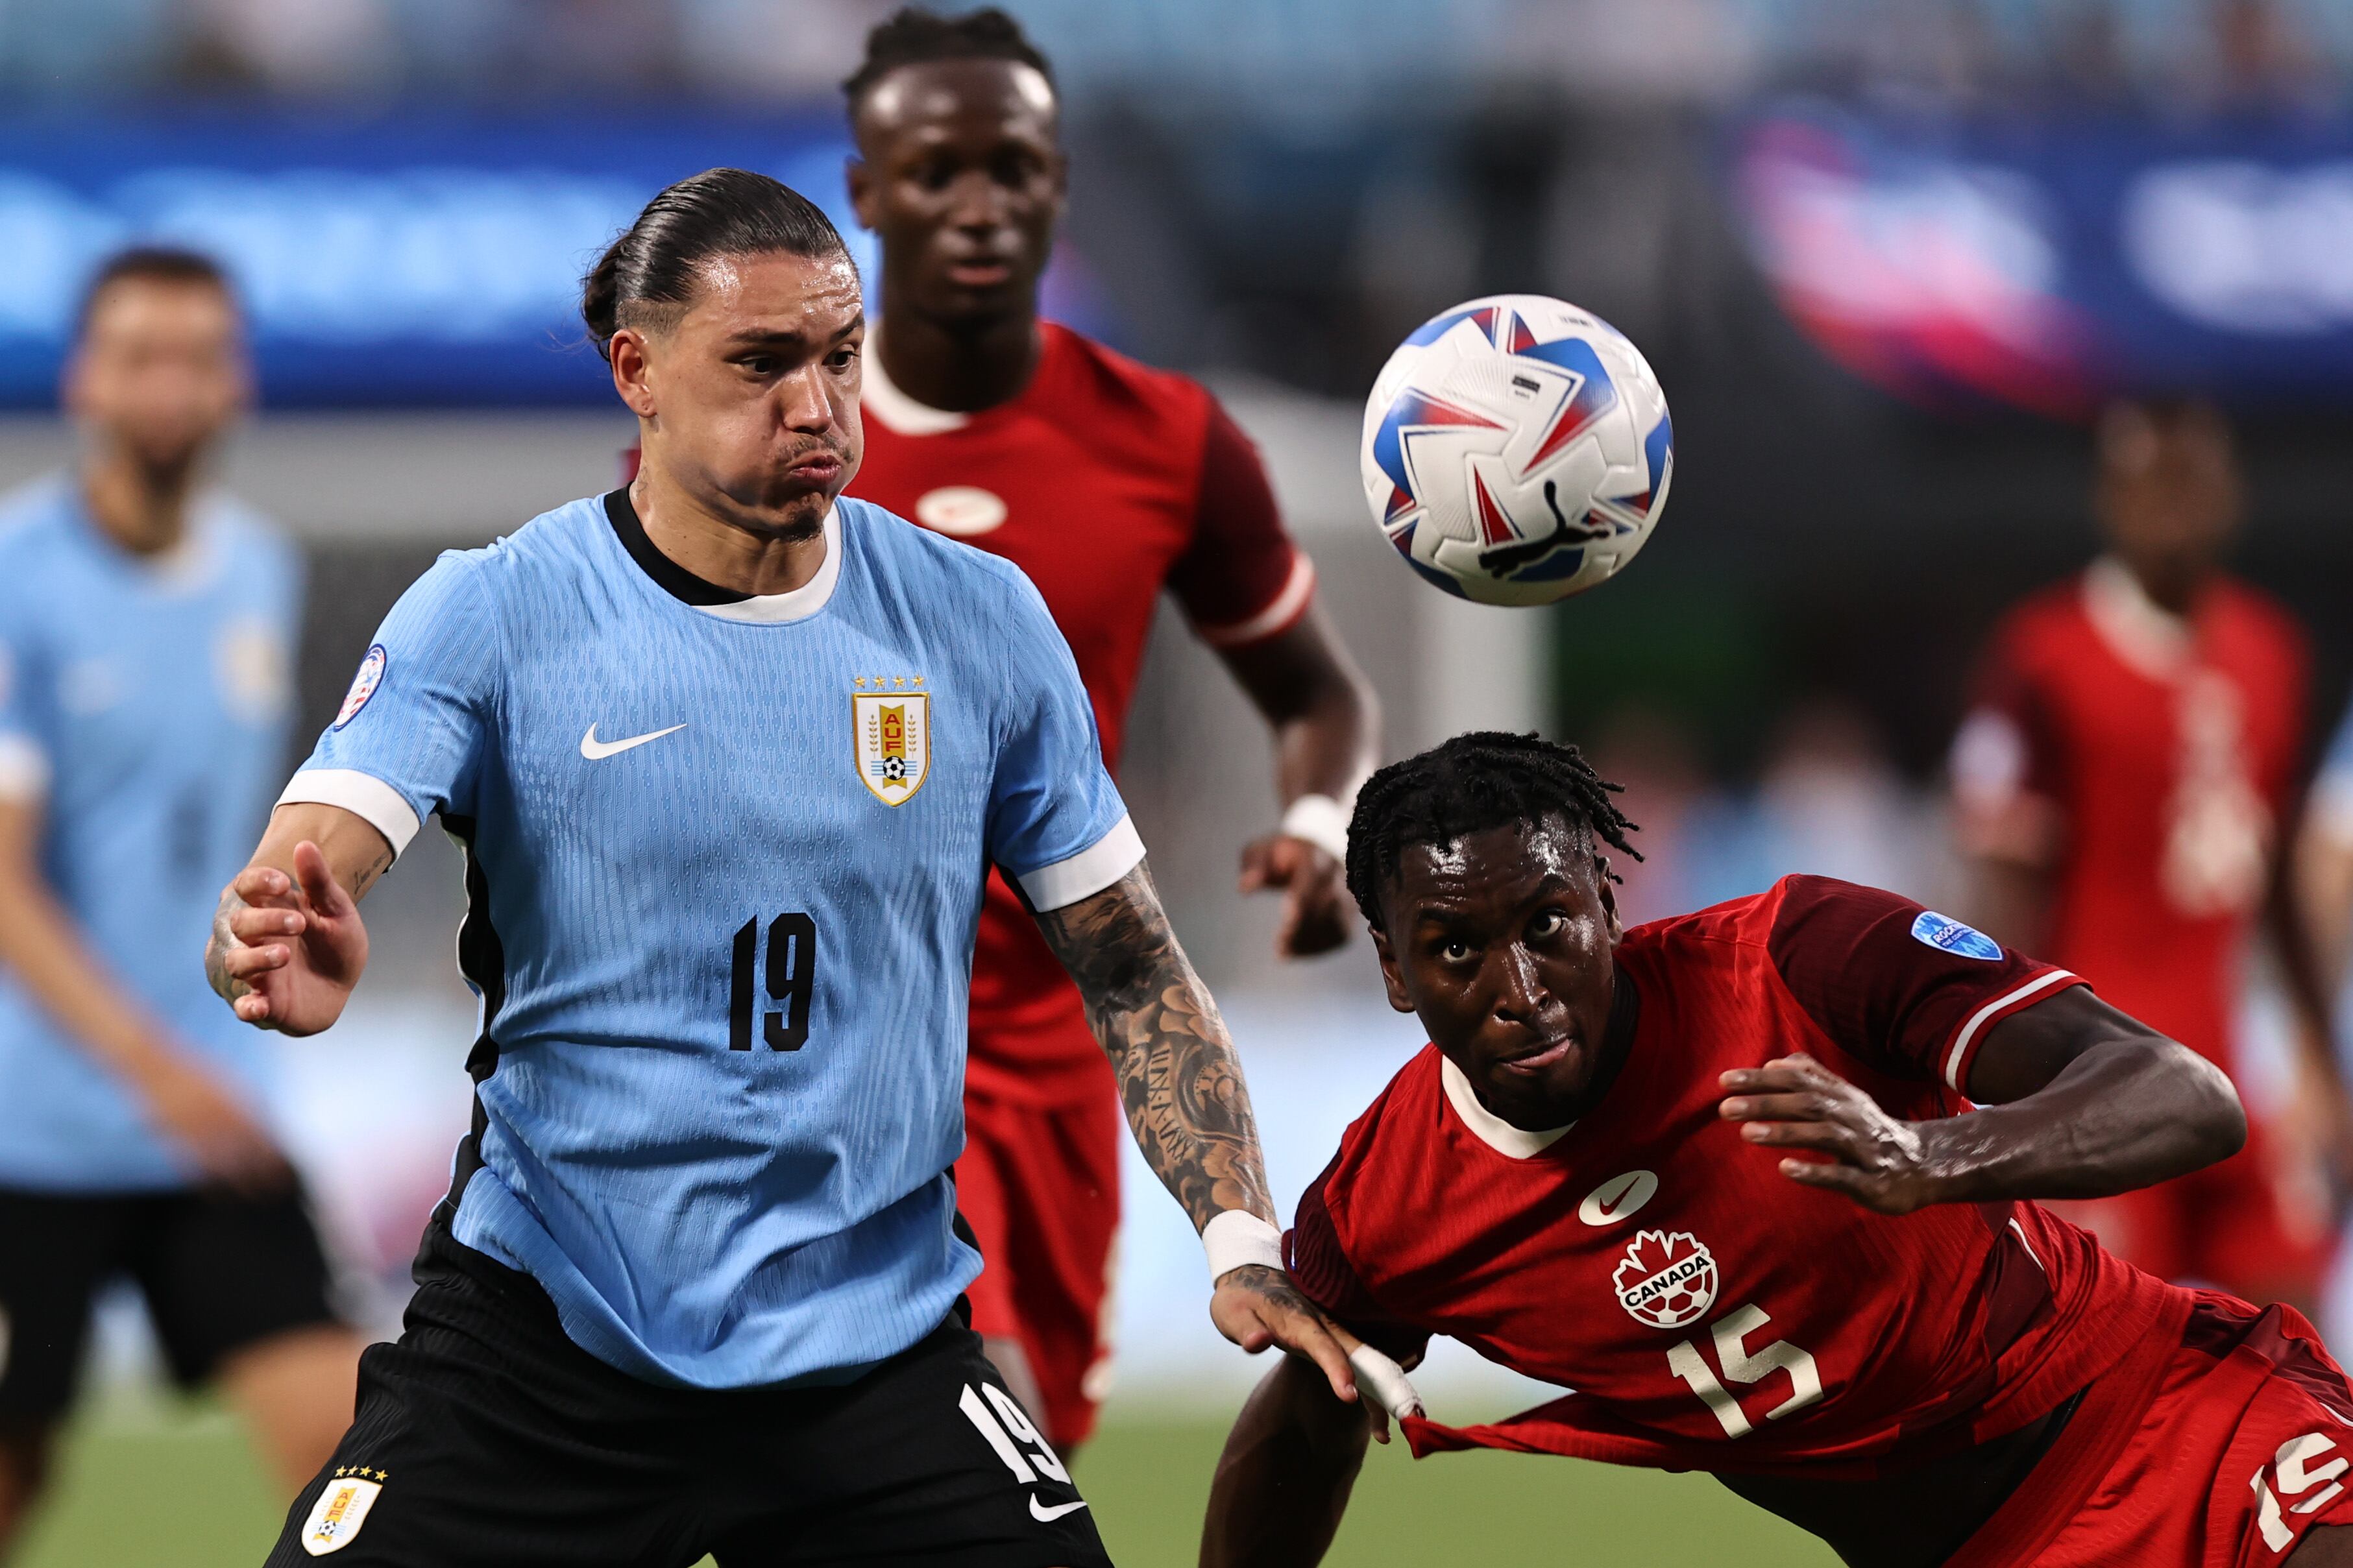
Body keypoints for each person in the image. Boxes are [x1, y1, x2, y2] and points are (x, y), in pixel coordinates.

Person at [206, 168, 1354, 1568]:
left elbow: (1130, 967)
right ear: (635, 369)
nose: (816, 405)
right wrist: (275, 951)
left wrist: (1238, 1229)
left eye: (839, 357)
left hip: (871, 1357)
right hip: (548, 1343)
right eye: (762, 362)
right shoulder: (496, 610)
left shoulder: (977, 622)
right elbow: (298, 874)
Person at [1203, 731, 2353, 1568]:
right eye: (1454, 949)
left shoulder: (1799, 959)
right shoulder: (1388, 1205)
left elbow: (2183, 1093)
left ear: (1607, 897)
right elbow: (1309, 1419)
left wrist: (1926, 1157)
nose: (1519, 989)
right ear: (1395, 973)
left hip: (2175, 1427)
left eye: (1547, 924)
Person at [837, 6, 1380, 1453]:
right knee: (954, 1445)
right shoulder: (765, 441)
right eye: (935, 168)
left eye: (1012, 165)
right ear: (865, 192)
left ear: (1059, 184)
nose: (977, 201)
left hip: (1069, 1030)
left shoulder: (1164, 438)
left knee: (1018, 1471)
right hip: (841, 1037)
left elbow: (1318, 695)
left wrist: (1321, 825)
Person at [0, 248, 362, 1545]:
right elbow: (4, 880)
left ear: (237, 383)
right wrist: (158, 1072)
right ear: (88, 378)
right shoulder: (16, 576)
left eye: (197, 356)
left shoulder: (258, 571)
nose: (169, 385)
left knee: (351, 1465)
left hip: (216, 1120)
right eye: (140, 354)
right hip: (30, 1130)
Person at [1949, 397, 2341, 1311]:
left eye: (2193, 485)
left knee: (2299, 1320)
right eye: (2151, 486)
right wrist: (1988, 1058)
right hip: (2103, 1052)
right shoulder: (2044, 655)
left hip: (2233, 1049)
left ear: (2230, 498)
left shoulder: (2267, 648)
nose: (2174, 509)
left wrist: (2320, 1055)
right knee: (2100, 1329)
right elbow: (2002, 868)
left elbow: (2273, 865)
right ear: (2109, 499)